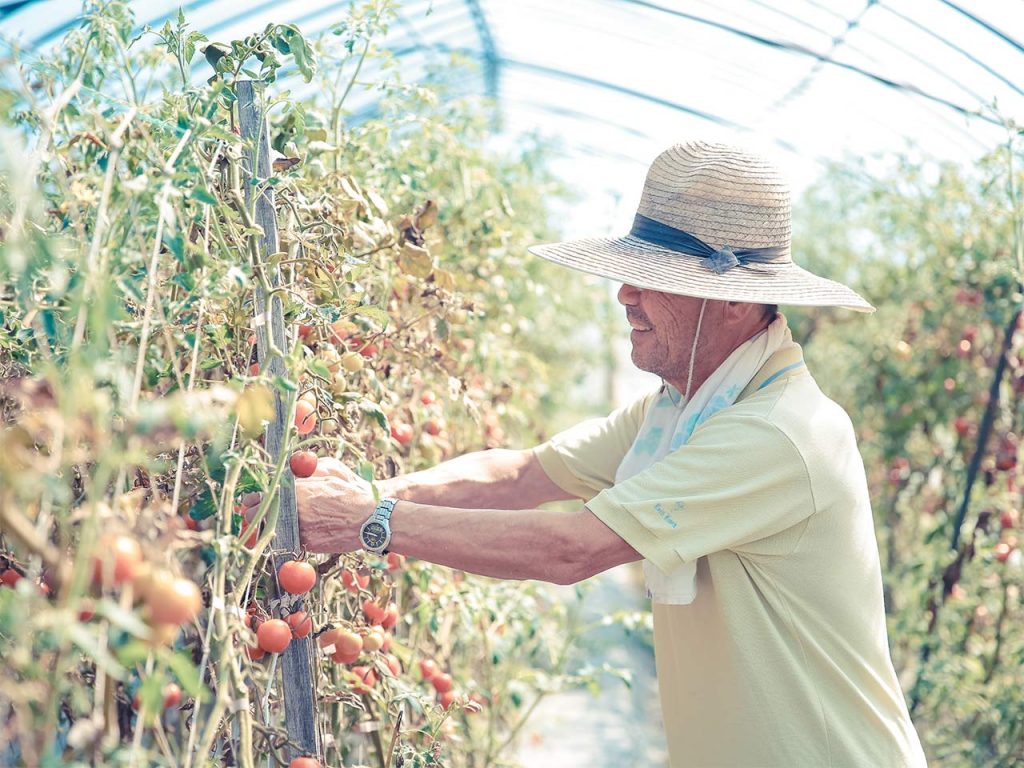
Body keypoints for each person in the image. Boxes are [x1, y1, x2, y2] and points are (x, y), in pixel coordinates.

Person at [295, 141, 929, 767]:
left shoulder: (776, 432)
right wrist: (373, 494)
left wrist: (365, 523)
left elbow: (570, 548)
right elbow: (521, 473)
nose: (625, 293)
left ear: (735, 301)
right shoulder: (685, 412)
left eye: (655, 280)